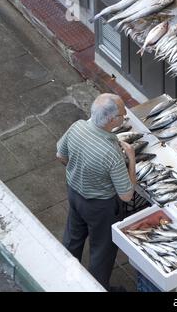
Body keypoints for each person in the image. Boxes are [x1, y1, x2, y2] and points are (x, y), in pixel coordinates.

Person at [56, 93, 136, 289]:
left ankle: (62, 279)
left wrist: (79, 170)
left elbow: (60, 155)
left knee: (72, 238)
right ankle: (96, 287)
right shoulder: (112, 153)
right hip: (101, 208)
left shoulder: (77, 127)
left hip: (74, 194)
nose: (125, 116)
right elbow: (126, 195)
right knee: (102, 251)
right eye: (122, 115)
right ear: (111, 120)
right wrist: (132, 159)